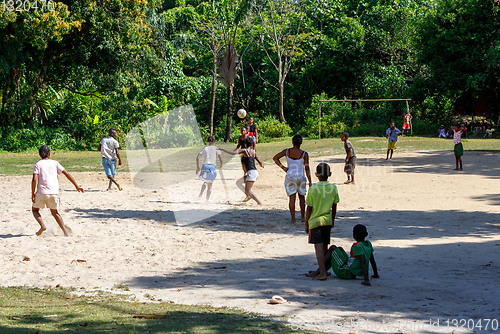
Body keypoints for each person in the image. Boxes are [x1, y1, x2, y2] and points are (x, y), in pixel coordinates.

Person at [31, 145, 84, 236]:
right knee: (55, 212)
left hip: (41, 193)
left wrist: (33, 194)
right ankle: (65, 232)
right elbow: (67, 174)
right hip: (54, 193)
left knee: (35, 210)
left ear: (39, 154)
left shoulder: (37, 164)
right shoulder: (55, 163)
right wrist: (77, 186)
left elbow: (34, 179)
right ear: (49, 154)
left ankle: (42, 225)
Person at [310, 224, 379, 286]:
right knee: (339, 249)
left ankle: (320, 271)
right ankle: (323, 270)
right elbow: (372, 260)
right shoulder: (368, 244)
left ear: (354, 235)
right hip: (352, 271)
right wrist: (375, 274)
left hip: (346, 272)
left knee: (332, 248)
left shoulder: (357, 246)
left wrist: (366, 280)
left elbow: (363, 262)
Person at [304, 163, 339, 281]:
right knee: (324, 246)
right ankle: (321, 270)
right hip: (327, 221)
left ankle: (322, 272)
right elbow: (334, 207)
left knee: (318, 246)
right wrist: (333, 220)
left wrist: (306, 223)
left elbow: (309, 208)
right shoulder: (333, 188)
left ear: (316, 175)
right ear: (330, 174)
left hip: (315, 221)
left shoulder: (313, 188)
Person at [273, 134, 312, 223]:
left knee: (292, 198)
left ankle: (293, 219)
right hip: (300, 176)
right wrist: (310, 181)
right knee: (302, 197)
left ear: (292, 142)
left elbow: (275, 158)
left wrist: (283, 167)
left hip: (290, 176)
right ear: (301, 143)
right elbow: (307, 168)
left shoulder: (287, 151)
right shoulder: (304, 154)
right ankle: (303, 217)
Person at [218, 137, 264, 205]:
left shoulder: (245, 150)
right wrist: (261, 164)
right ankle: (248, 196)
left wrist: (222, 149)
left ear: (245, 143)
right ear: (251, 144)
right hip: (254, 172)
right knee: (238, 183)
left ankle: (259, 202)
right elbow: (259, 161)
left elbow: (233, 153)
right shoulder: (253, 152)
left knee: (248, 190)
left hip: (251, 172)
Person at [196, 136, 223, 200]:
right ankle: (207, 200)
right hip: (212, 166)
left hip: (204, 166)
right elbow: (220, 159)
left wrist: (198, 167)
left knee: (205, 182)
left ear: (207, 141)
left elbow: (197, 157)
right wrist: (221, 164)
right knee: (210, 184)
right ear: (214, 141)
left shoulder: (204, 148)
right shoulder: (216, 148)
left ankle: (200, 194)